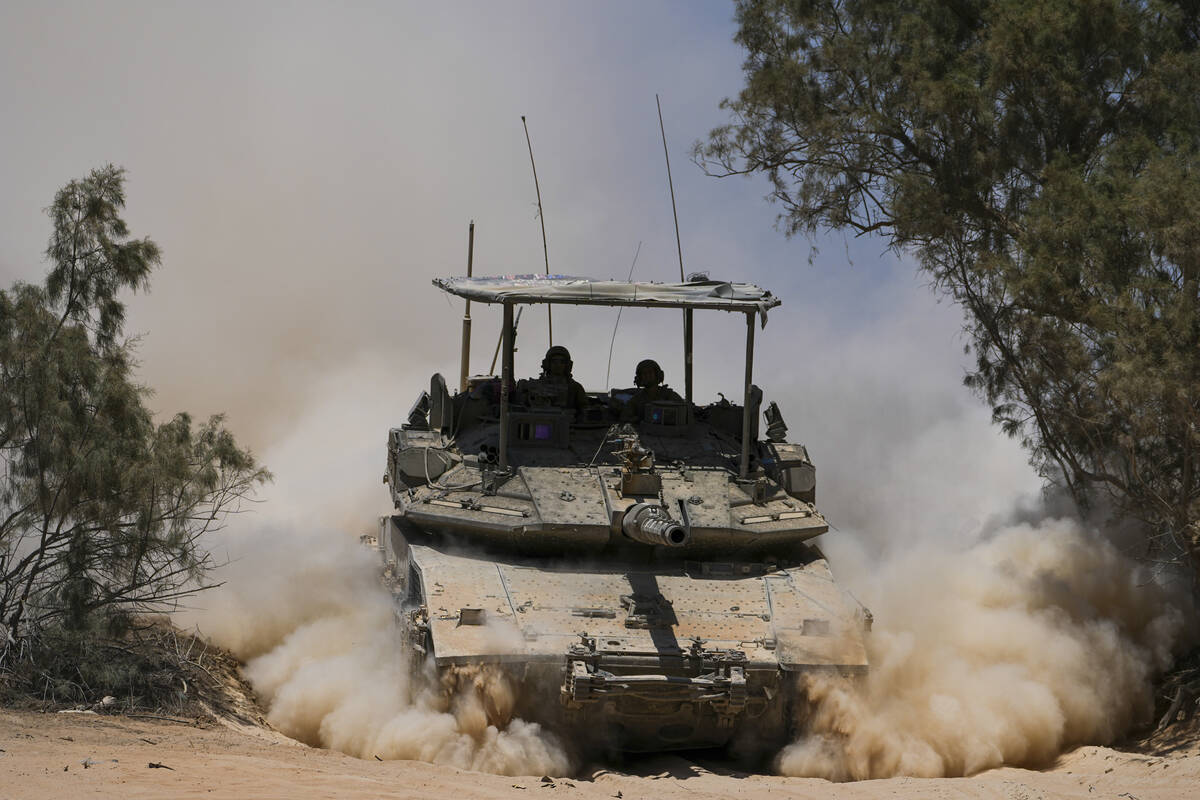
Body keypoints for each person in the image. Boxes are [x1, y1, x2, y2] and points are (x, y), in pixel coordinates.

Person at [520, 345, 588, 413]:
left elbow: (584, 409)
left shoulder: (575, 387)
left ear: (567, 365)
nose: (558, 365)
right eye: (554, 361)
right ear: (547, 364)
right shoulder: (537, 385)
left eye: (562, 362)